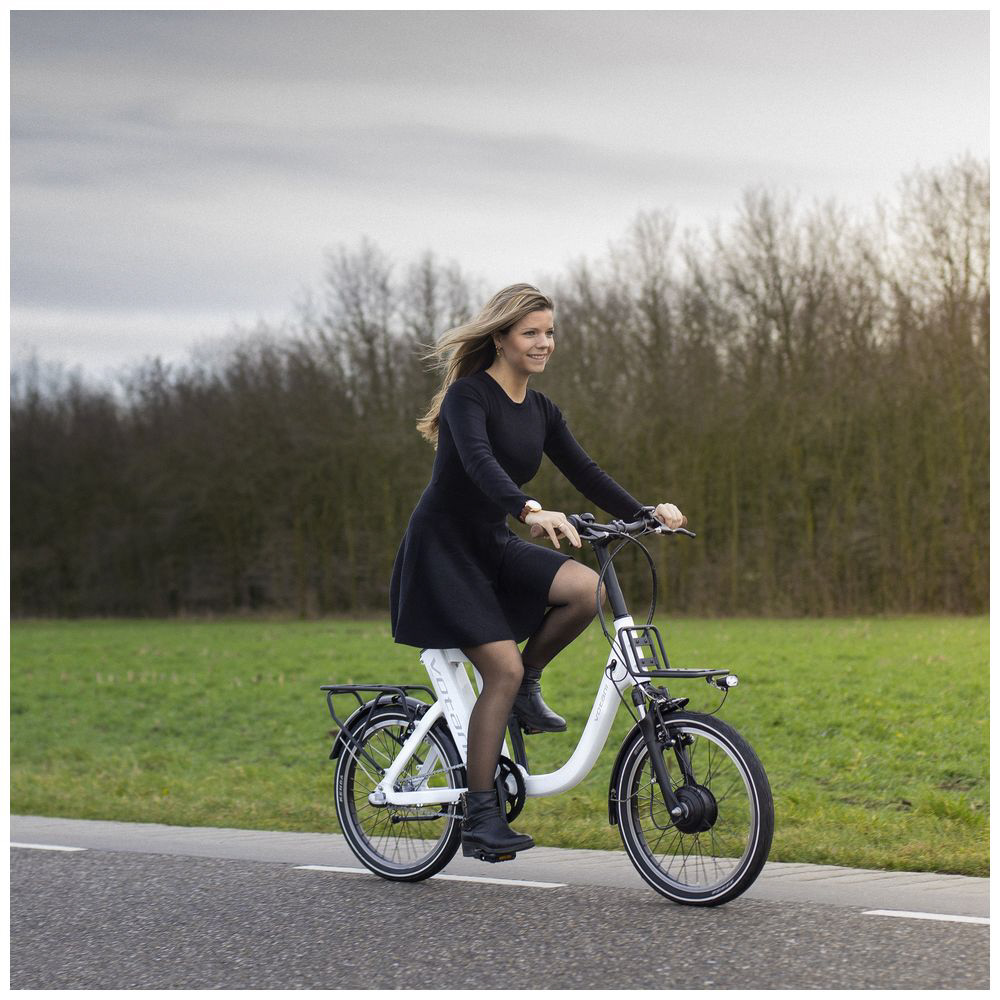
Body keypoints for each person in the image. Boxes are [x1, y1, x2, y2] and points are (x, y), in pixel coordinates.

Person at [389, 283, 685, 861]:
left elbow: (586, 471)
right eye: (531, 333)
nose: (543, 342)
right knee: (497, 670)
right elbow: (478, 463)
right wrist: (528, 508)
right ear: (500, 338)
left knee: (586, 589)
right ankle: (481, 817)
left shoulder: (542, 410)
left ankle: (528, 684)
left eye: (549, 332)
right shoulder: (469, 397)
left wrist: (645, 513)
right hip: (444, 550)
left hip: (492, 543)